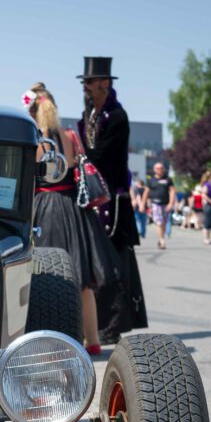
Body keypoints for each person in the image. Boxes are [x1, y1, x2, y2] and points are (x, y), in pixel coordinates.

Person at [26, 83, 117, 356]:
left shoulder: (34, 140)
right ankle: (93, 340)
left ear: (34, 111)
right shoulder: (69, 136)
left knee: (46, 276)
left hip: (44, 207)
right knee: (83, 280)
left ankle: (54, 341)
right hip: (73, 210)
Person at [77, 56, 147, 344]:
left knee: (115, 262)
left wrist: (78, 154)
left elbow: (102, 155)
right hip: (95, 196)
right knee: (97, 263)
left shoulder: (117, 117)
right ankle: (99, 321)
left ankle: (114, 323)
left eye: (91, 83)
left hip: (113, 200)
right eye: (86, 83)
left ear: (104, 84)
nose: (87, 88)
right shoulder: (88, 118)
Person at [142, 162, 176, 250]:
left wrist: (171, 203)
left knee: (164, 223)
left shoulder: (168, 179)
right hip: (155, 204)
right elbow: (146, 192)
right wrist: (143, 204)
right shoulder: (151, 180)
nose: (159, 170)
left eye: (161, 168)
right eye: (157, 168)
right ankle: (162, 240)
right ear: (154, 170)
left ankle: (161, 238)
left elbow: (172, 191)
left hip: (166, 204)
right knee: (159, 222)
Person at [199, 170, 211, 244]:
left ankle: (208, 238)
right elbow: (204, 195)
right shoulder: (207, 185)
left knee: (210, 222)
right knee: (207, 222)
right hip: (208, 205)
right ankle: (205, 238)